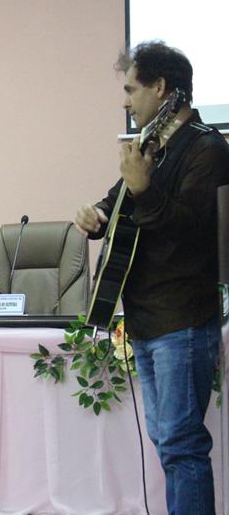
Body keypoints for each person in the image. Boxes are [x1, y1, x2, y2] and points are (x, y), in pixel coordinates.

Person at [74, 41, 229, 514]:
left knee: (181, 445)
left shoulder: (208, 148)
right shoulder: (150, 147)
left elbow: (193, 232)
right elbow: (118, 202)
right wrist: (96, 214)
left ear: (161, 88)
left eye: (131, 89)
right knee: (167, 440)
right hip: (146, 318)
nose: (124, 101)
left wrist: (145, 191)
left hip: (183, 320)